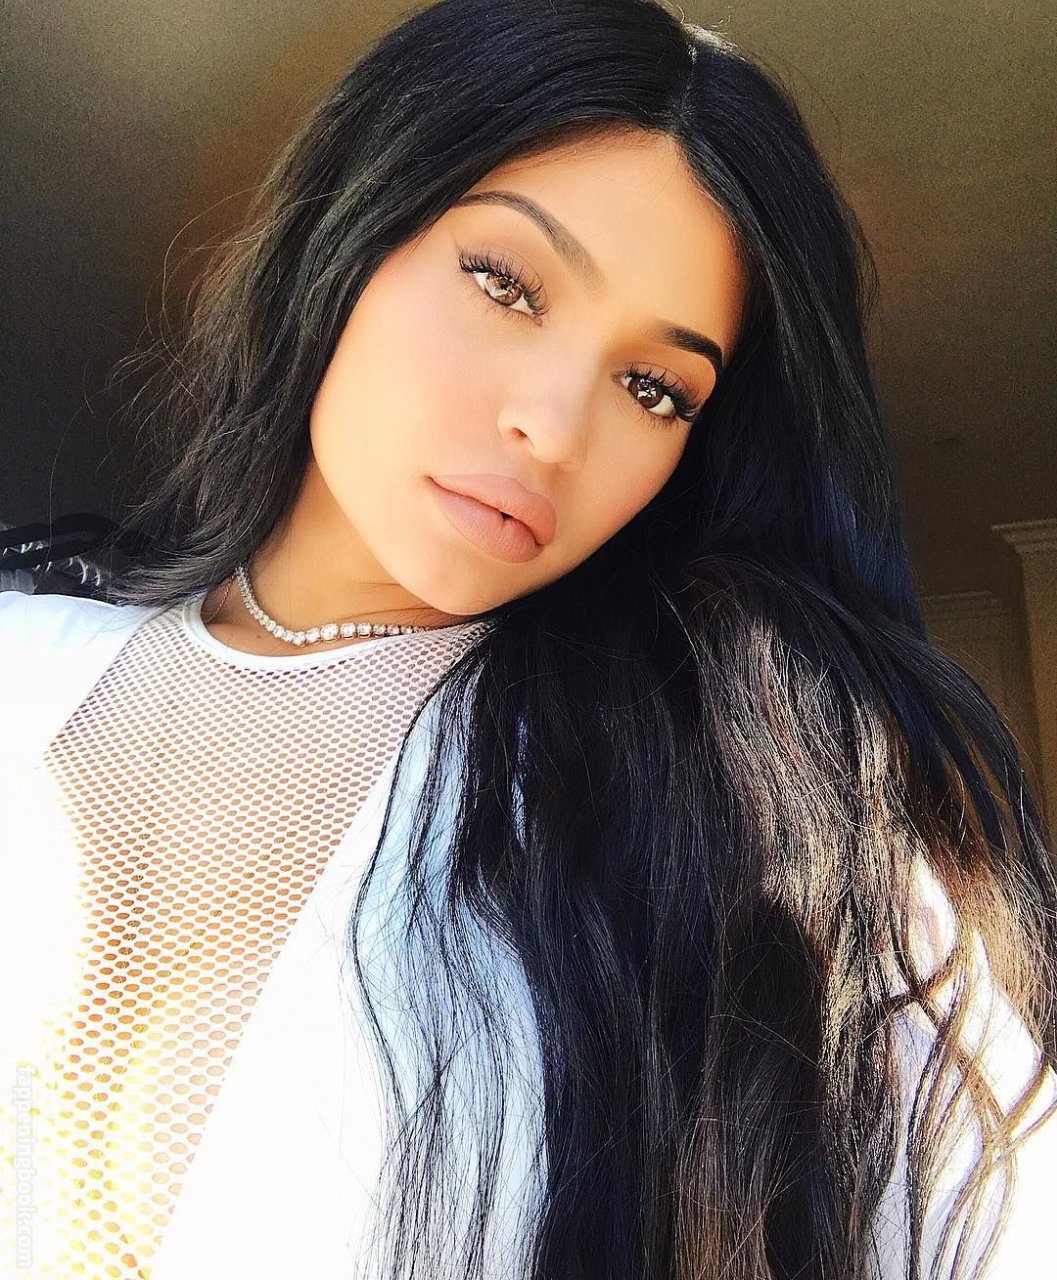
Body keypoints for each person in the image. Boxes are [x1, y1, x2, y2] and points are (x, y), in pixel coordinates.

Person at [1, 1, 1055, 1277]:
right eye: (506, 282)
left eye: (655, 387)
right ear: (351, 226)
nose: (552, 427)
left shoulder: (731, 794)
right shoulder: (24, 656)